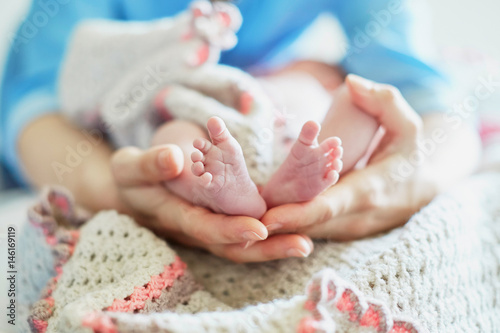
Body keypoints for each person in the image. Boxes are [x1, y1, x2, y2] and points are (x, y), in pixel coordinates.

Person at [1, 0, 481, 262]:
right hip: (209, 109)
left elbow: (426, 98)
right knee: (176, 137)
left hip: (276, 127)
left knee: (360, 101)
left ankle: (268, 181)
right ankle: (212, 184)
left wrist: (400, 179)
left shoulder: (307, 78)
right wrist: (114, 189)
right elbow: (34, 106)